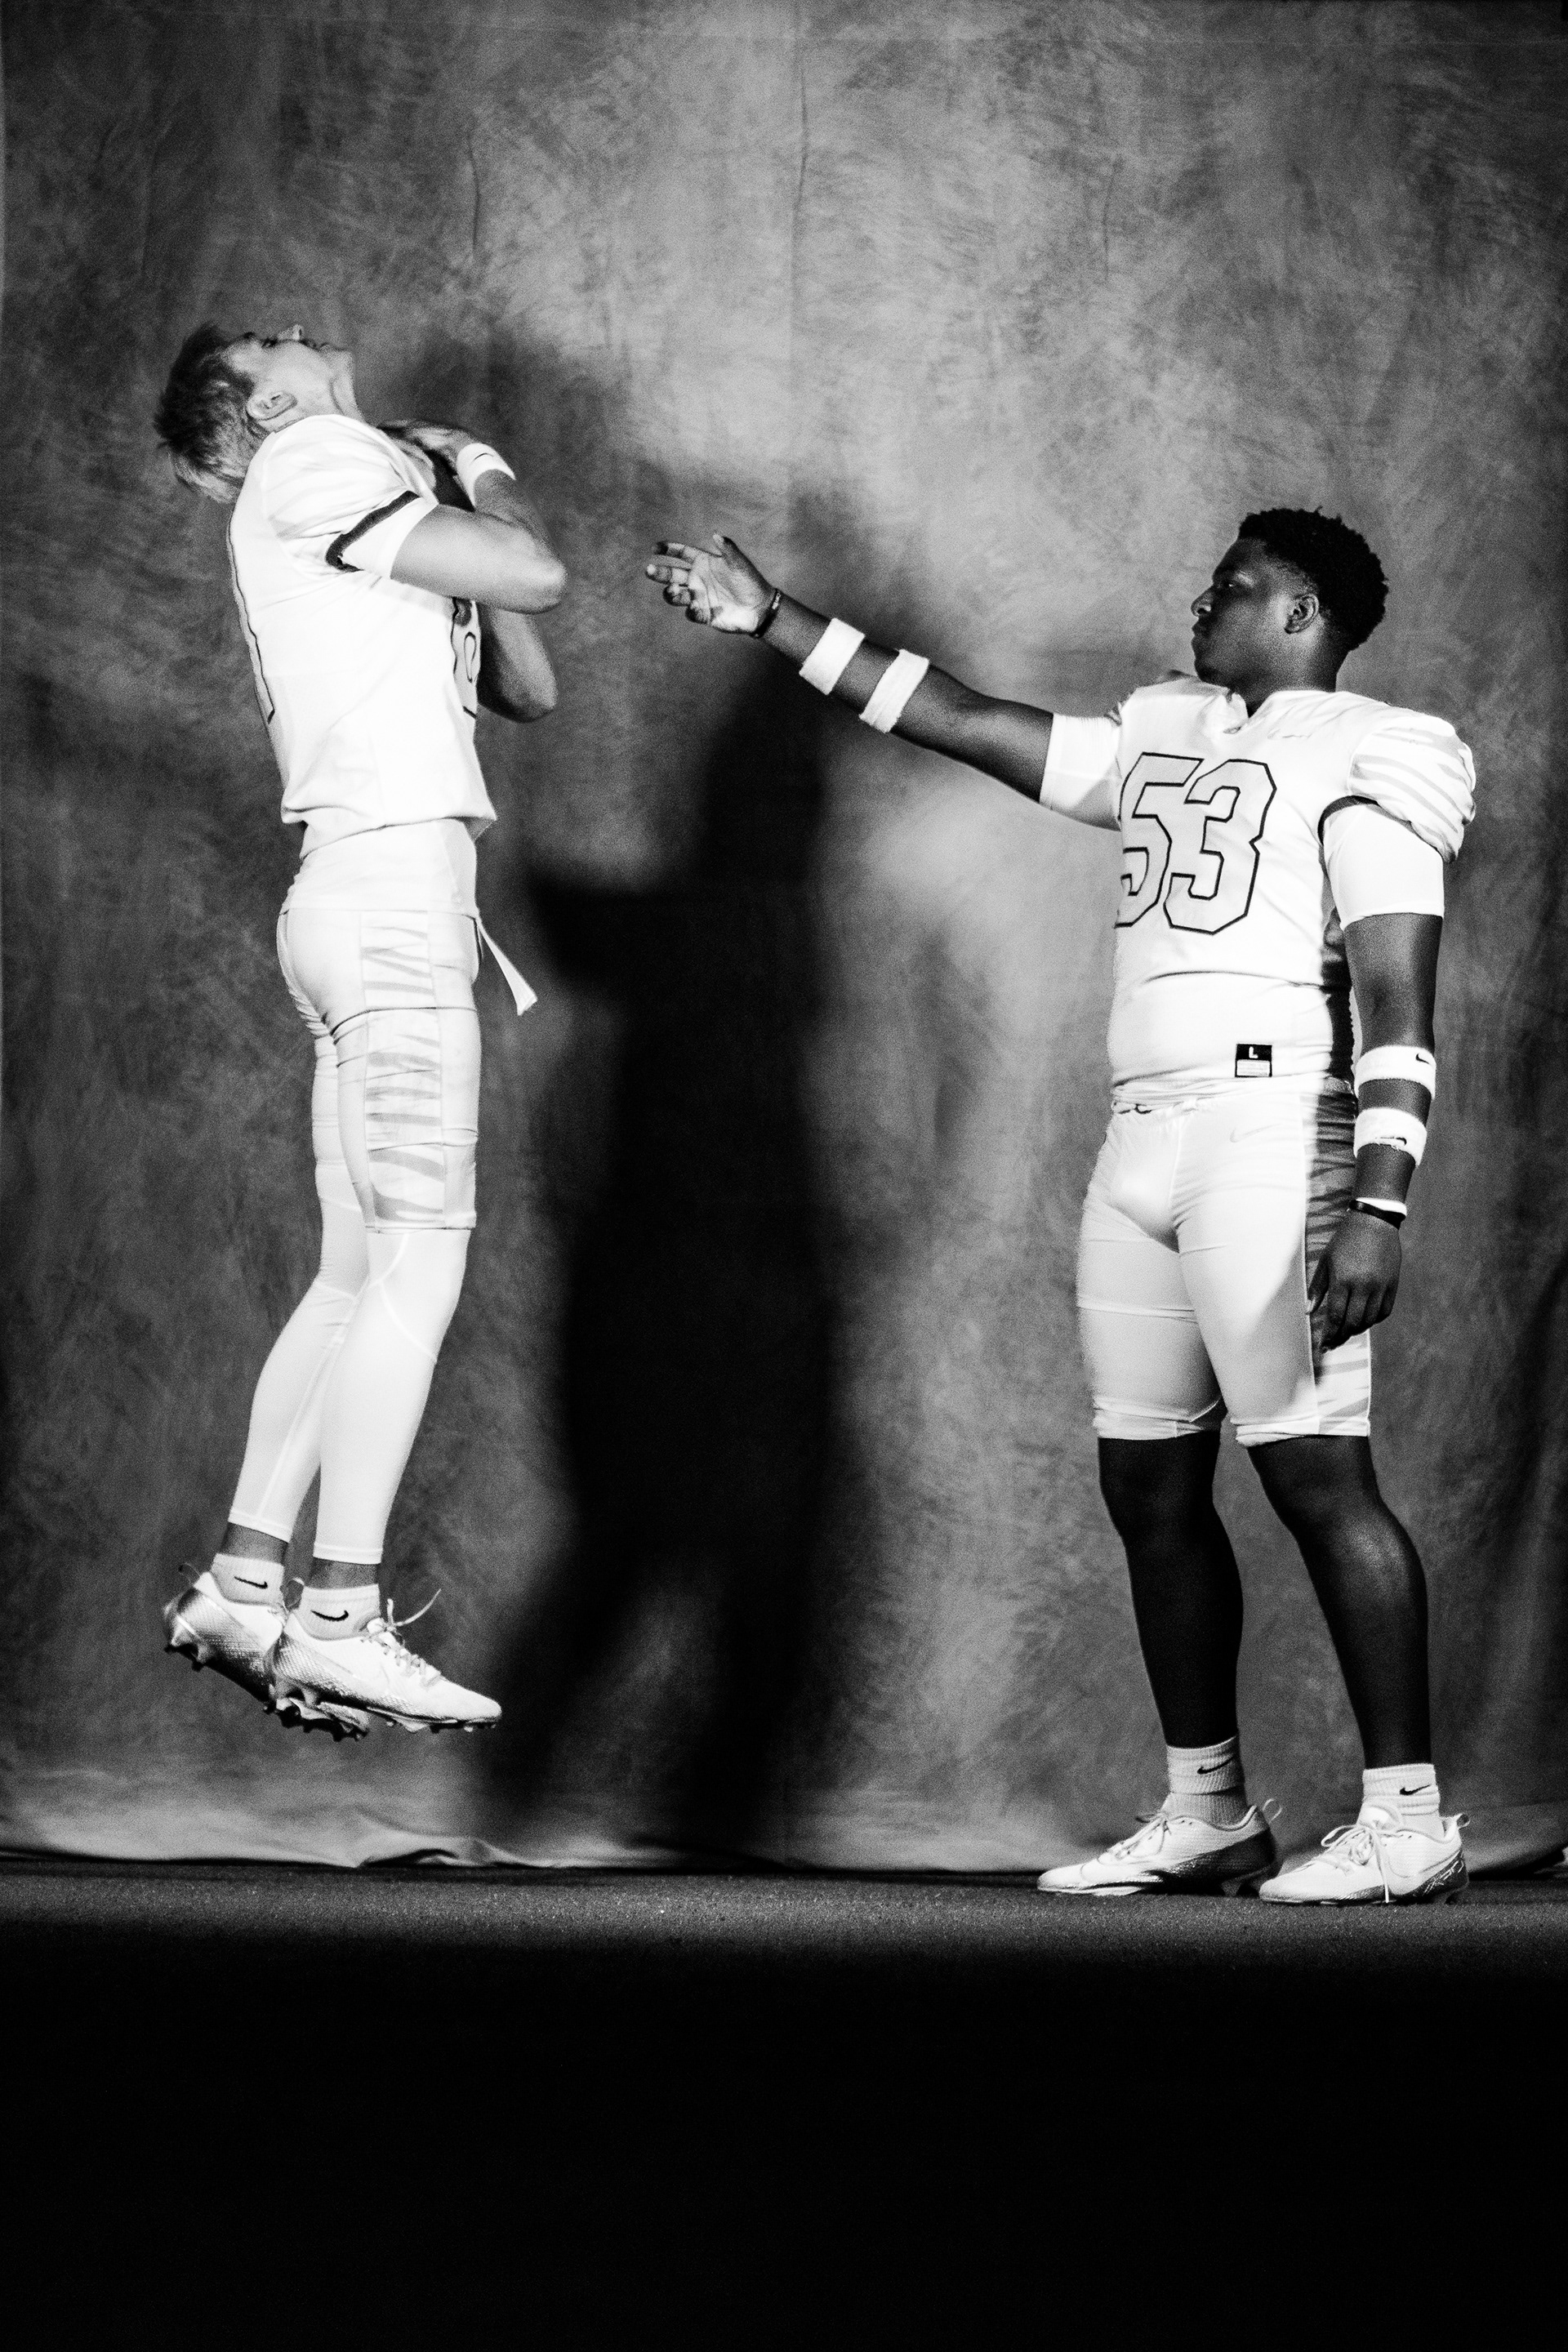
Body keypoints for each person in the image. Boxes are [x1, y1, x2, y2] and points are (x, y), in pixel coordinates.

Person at [646, 511, 1474, 1904]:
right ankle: (1208, 1810)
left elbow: (1399, 1003)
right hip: (1142, 1133)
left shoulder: (1377, 749)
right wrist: (774, 618)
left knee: (1316, 1474)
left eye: (1236, 587)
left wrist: (1380, 1203)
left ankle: (1410, 1820)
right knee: (1146, 1484)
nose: (1203, 601)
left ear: (1303, 614)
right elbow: (967, 721)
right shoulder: (1166, 730)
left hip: (1276, 1130)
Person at [154, 323, 565, 1736]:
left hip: (360, 897)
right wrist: (484, 472)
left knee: (354, 1275)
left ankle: (241, 1586)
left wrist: (444, 485)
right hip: (388, 904)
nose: (306, 332)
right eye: (272, 342)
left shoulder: (353, 481)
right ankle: (337, 1615)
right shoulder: (320, 454)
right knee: (421, 1256)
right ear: (263, 405)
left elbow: (529, 683)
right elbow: (537, 573)